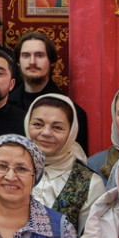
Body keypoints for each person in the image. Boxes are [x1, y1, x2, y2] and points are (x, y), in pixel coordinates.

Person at [25, 93, 105, 230]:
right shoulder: (9, 170)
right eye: (38, 124)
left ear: (71, 132)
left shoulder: (89, 183)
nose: (46, 132)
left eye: (57, 127)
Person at [15, 32, 87, 150]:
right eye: (26, 55)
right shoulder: (4, 105)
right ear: (18, 62)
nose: (32, 61)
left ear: (52, 61)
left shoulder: (72, 111)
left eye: (39, 55)